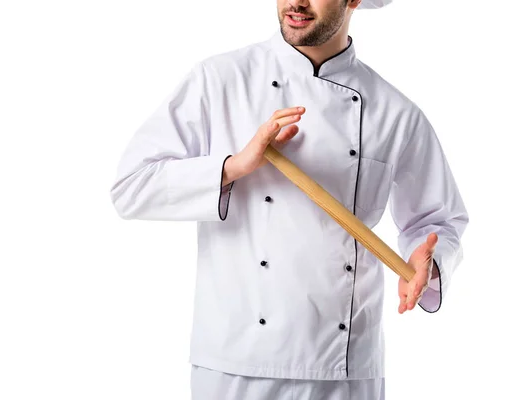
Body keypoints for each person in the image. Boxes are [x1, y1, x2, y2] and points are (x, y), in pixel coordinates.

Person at [109, 0, 469, 398]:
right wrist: (233, 167)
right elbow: (132, 186)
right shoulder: (220, 80)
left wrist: (428, 262)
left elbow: (439, 220)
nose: (295, 1)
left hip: (345, 369)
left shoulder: (395, 112)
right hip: (235, 364)